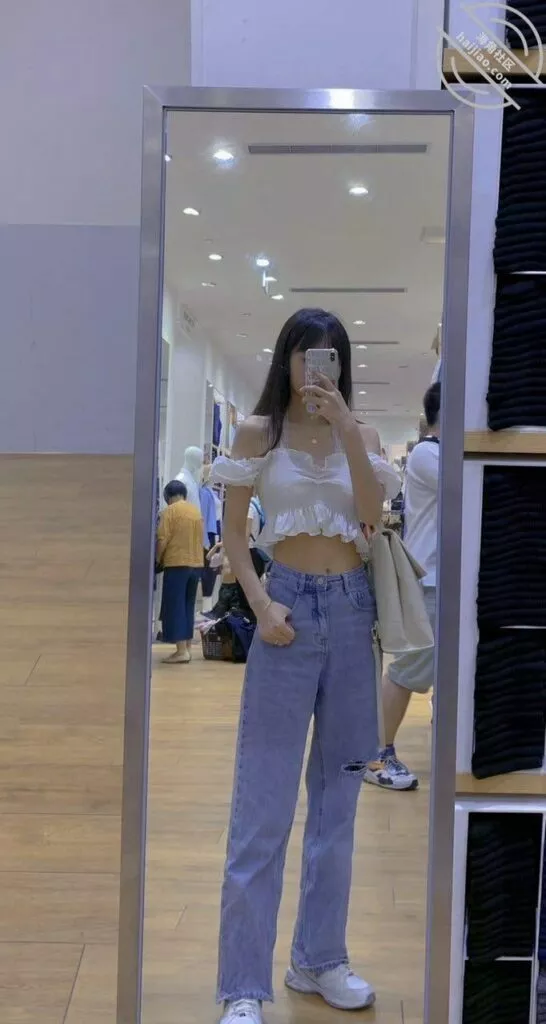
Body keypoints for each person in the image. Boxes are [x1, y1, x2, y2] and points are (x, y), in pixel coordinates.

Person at [211, 308, 400, 1024]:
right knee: (262, 808)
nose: (316, 370)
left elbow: (372, 518)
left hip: (352, 617)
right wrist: (261, 606)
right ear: (286, 359)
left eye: (330, 358)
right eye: (305, 356)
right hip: (284, 613)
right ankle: (243, 985)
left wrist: (347, 427)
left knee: (338, 805)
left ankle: (319, 959)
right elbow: (234, 533)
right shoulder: (259, 433)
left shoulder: (364, 438)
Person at [364, 382, 440, 791]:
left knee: (425, 668)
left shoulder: (437, 453)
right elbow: (466, 486)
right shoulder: (429, 454)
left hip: (444, 580)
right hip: (431, 580)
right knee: (409, 670)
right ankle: (375, 754)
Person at [156, 480, 204, 664]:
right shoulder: (195, 512)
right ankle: (187, 648)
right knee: (188, 607)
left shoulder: (169, 512)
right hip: (196, 564)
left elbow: (162, 539)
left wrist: (157, 559)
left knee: (175, 606)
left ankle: (181, 651)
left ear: (168, 496)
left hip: (176, 563)